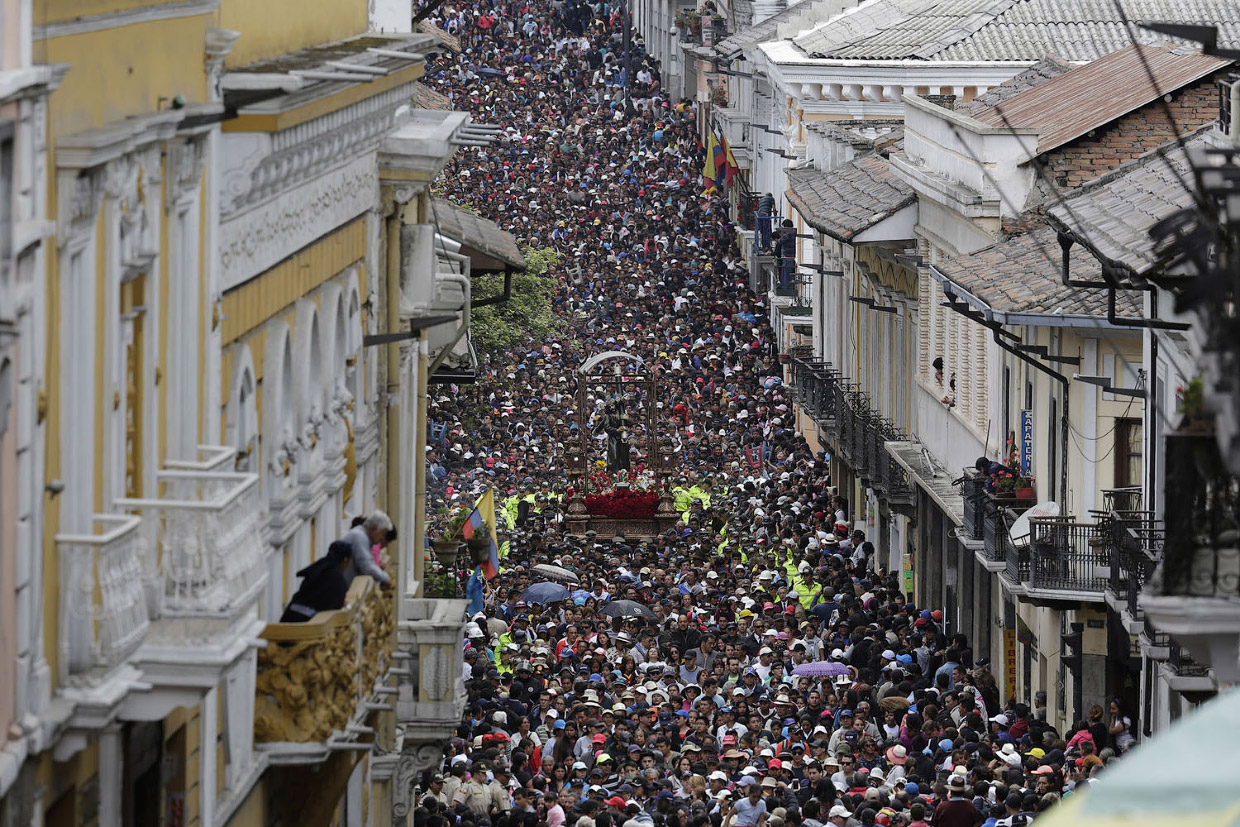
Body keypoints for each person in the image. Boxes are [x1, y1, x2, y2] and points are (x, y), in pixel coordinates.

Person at [279, 540, 351, 622]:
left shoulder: (320, 566)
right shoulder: (336, 577)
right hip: (305, 624)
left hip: (289, 616)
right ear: (345, 560)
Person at [343, 511, 394, 587]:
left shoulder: (362, 536)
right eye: (382, 533)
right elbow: (367, 567)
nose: (382, 538)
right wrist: (386, 578)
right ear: (374, 528)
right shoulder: (360, 537)